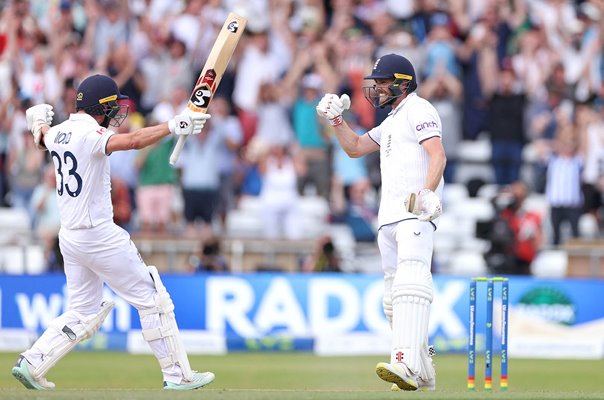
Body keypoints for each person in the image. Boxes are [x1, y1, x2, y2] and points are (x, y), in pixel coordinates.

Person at [12, 74, 214, 391]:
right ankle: (178, 375)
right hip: (98, 235)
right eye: (112, 105)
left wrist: (37, 121)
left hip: (70, 237)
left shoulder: (59, 133)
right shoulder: (91, 134)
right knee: (152, 298)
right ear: (100, 106)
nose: (115, 111)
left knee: (83, 311)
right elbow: (131, 142)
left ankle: (32, 363)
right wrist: (173, 126)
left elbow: (42, 137)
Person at [316, 53, 446, 391]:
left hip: (414, 211)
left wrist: (427, 193)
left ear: (403, 83)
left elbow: (438, 155)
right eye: (374, 84)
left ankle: (403, 363)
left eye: (383, 83)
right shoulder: (391, 121)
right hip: (388, 217)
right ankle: (425, 367)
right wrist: (337, 120)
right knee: (393, 299)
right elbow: (356, 148)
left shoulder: (419, 109)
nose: (377, 91)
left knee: (410, 286)